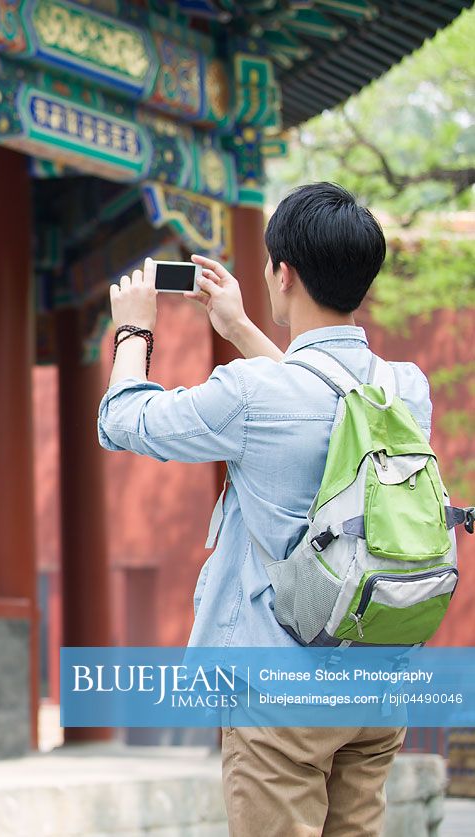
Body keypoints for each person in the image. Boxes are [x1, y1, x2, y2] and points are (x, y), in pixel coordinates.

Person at [97, 182, 431, 836]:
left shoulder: (249, 394)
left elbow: (120, 419)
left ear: (282, 273)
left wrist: (134, 327)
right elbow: (328, 408)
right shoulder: (404, 389)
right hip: (376, 676)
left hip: (280, 689)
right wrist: (240, 326)